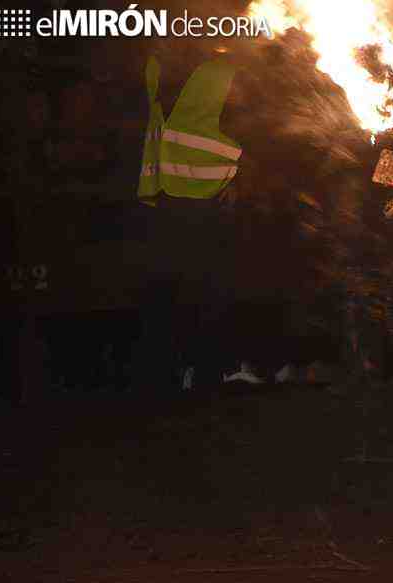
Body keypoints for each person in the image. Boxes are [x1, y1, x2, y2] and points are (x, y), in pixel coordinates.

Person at [136, 40, 259, 390]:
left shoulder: (160, 65)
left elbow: (248, 132)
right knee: (194, 290)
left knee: (189, 290)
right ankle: (190, 372)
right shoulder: (215, 71)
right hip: (194, 196)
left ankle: (189, 372)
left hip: (180, 194)